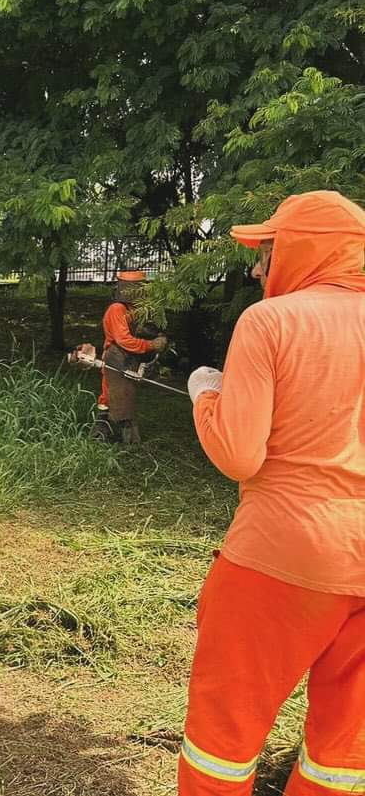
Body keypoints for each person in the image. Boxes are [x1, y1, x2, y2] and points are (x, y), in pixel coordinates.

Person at [179, 190, 365, 795]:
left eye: (269, 249)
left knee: (223, 739)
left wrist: (206, 392)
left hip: (279, 556)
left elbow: (238, 454)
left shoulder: (271, 321)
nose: (259, 267)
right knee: (343, 750)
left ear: (309, 248)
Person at [92, 270, 168, 444]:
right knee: (112, 395)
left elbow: (141, 331)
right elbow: (123, 339)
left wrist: (158, 337)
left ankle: (108, 436)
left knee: (124, 395)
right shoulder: (116, 309)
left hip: (128, 357)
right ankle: (107, 437)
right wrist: (150, 345)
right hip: (116, 357)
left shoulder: (135, 310)